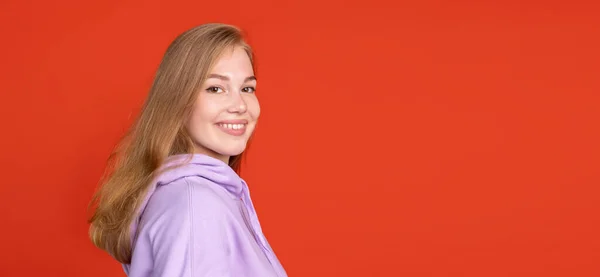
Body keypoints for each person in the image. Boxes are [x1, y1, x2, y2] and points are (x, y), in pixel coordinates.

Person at [87, 23, 287, 277]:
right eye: (215, 88)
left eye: (247, 88)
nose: (240, 105)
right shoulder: (196, 204)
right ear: (178, 101)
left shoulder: (206, 196)